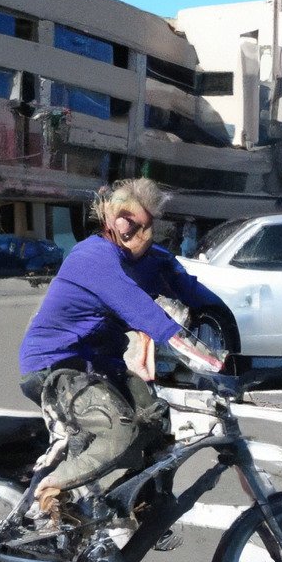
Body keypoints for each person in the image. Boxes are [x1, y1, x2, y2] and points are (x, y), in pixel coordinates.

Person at [18, 178, 225, 518]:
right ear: (115, 222)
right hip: (53, 367)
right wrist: (215, 366)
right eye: (135, 226)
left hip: (97, 366)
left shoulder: (148, 258)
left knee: (157, 426)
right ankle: (48, 490)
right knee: (120, 429)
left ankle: (136, 510)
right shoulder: (93, 258)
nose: (144, 235)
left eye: (148, 226)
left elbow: (193, 293)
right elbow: (149, 317)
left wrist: (225, 327)